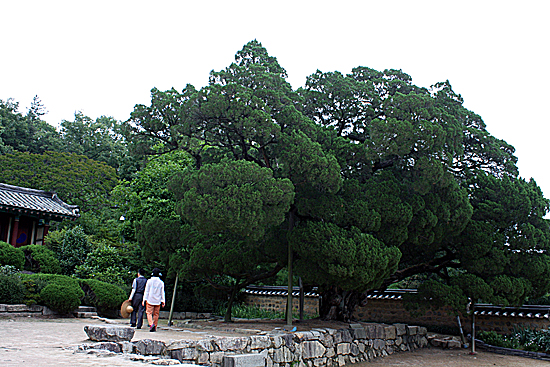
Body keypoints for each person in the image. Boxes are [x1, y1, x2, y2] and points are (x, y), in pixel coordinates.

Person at [142, 267, 165, 332]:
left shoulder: (149, 281)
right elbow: (162, 292)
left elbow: (146, 291)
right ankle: (155, 326)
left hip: (150, 299)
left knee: (149, 313)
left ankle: (151, 324)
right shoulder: (161, 282)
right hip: (158, 300)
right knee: (156, 314)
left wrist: (144, 299)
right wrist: (163, 301)